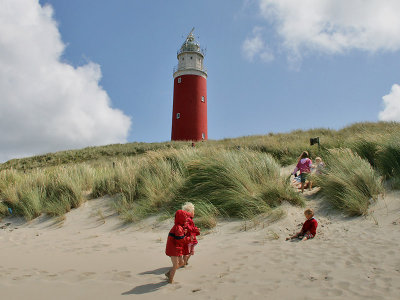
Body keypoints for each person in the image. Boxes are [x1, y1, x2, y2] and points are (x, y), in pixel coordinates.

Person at [165, 210, 192, 283]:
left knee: (182, 263)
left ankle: (169, 273)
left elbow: (180, 238)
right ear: (181, 219)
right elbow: (180, 239)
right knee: (175, 264)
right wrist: (189, 239)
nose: (187, 220)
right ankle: (170, 280)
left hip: (177, 248)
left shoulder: (180, 226)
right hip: (173, 249)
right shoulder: (178, 228)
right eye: (185, 218)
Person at [182, 202, 200, 266]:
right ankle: (184, 262)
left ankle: (185, 261)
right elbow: (188, 227)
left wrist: (196, 230)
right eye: (193, 211)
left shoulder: (189, 219)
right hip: (189, 238)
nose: (194, 213)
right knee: (187, 252)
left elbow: (191, 227)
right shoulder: (188, 219)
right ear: (190, 212)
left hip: (191, 238)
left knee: (189, 251)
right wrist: (195, 229)